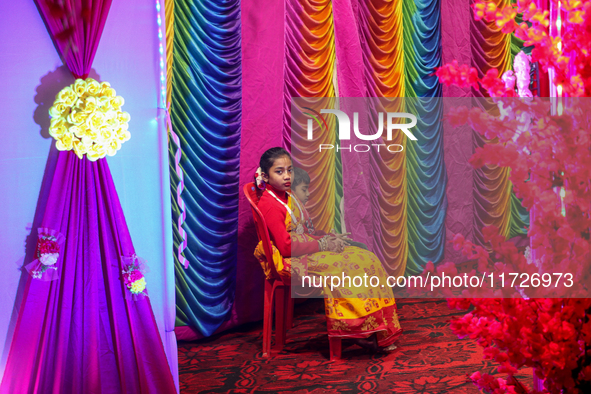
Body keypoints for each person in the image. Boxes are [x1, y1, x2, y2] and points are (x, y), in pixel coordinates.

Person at [253, 147, 402, 352]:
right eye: (279, 172)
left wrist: (326, 238)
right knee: (348, 267)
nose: (287, 176)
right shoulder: (270, 204)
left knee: (366, 258)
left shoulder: (286, 196)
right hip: (289, 261)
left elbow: (302, 231)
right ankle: (355, 331)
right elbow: (286, 247)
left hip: (303, 251)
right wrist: (322, 245)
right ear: (265, 176)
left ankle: (376, 328)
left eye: (289, 170)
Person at [291, 166, 368, 250]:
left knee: (361, 246)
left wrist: (331, 236)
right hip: (313, 247)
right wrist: (327, 239)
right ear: (292, 190)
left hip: (318, 241)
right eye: (304, 190)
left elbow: (312, 233)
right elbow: (304, 237)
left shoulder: (301, 209)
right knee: (360, 249)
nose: (308, 194)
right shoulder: (293, 211)